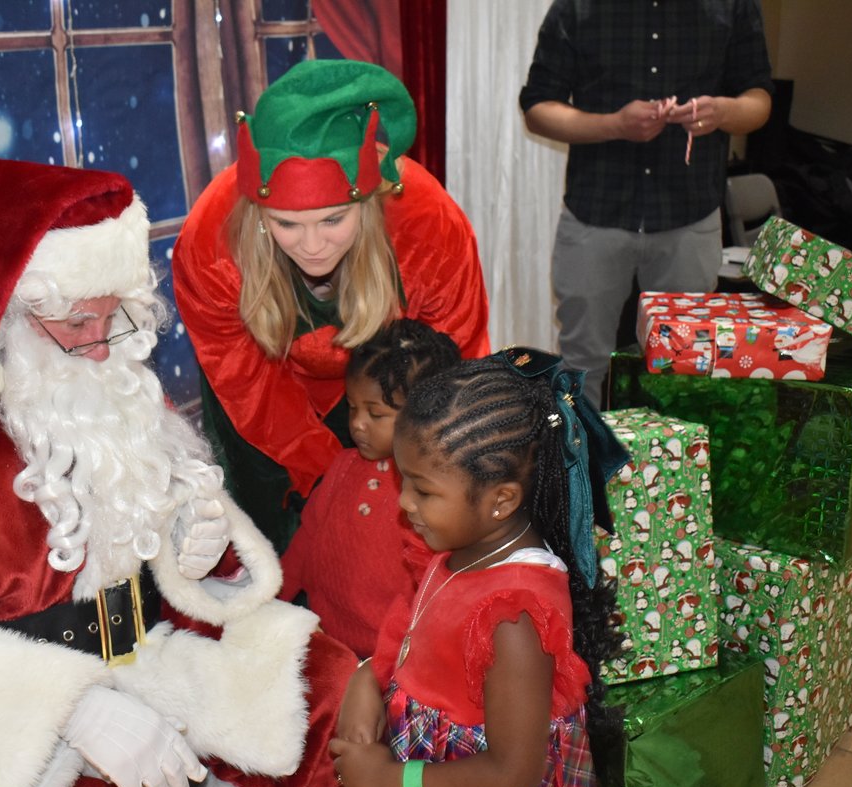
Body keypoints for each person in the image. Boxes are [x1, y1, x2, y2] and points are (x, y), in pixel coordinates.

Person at [0, 150, 357, 787]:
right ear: (4, 310)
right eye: (79, 320)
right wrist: (75, 710)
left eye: (113, 314)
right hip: (8, 718)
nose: (102, 340)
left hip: (149, 654)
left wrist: (185, 549)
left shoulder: (96, 356)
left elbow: (158, 514)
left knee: (330, 689)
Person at [172, 59, 490, 553]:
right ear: (259, 213)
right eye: (287, 225)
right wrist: (329, 477)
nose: (313, 246)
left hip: (390, 383)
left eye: (333, 220)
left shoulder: (428, 225)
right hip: (263, 389)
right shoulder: (212, 244)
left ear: (366, 203)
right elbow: (247, 382)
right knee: (269, 527)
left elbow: (450, 369)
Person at [329, 348, 629, 787]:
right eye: (403, 480)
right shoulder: (459, 545)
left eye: (423, 490)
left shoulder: (515, 616)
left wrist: (389, 783)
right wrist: (368, 680)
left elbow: (511, 776)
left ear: (501, 500)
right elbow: (414, 632)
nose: (405, 503)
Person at [519, 0, 774, 406]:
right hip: (595, 210)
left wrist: (723, 110)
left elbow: (759, 100)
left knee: (682, 367)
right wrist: (614, 125)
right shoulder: (577, 7)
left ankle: (671, 466)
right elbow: (537, 108)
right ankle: (580, 467)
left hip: (688, 212)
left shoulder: (732, 5)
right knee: (580, 365)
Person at [278, 318, 460, 658]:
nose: (358, 423)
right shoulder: (342, 467)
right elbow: (305, 543)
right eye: (352, 407)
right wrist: (272, 600)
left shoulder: (429, 491)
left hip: (394, 659)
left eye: (375, 414)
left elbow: (435, 586)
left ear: (424, 415)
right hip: (323, 641)